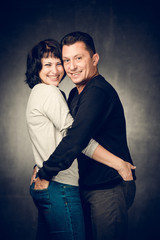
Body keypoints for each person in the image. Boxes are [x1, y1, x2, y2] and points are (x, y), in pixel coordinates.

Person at [25, 39, 135, 240]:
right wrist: (41, 168)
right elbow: (65, 138)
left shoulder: (96, 91)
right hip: (78, 185)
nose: (67, 67)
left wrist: (45, 171)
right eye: (65, 60)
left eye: (77, 58)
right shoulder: (70, 94)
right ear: (37, 68)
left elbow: (76, 139)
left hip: (106, 187)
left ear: (94, 59)